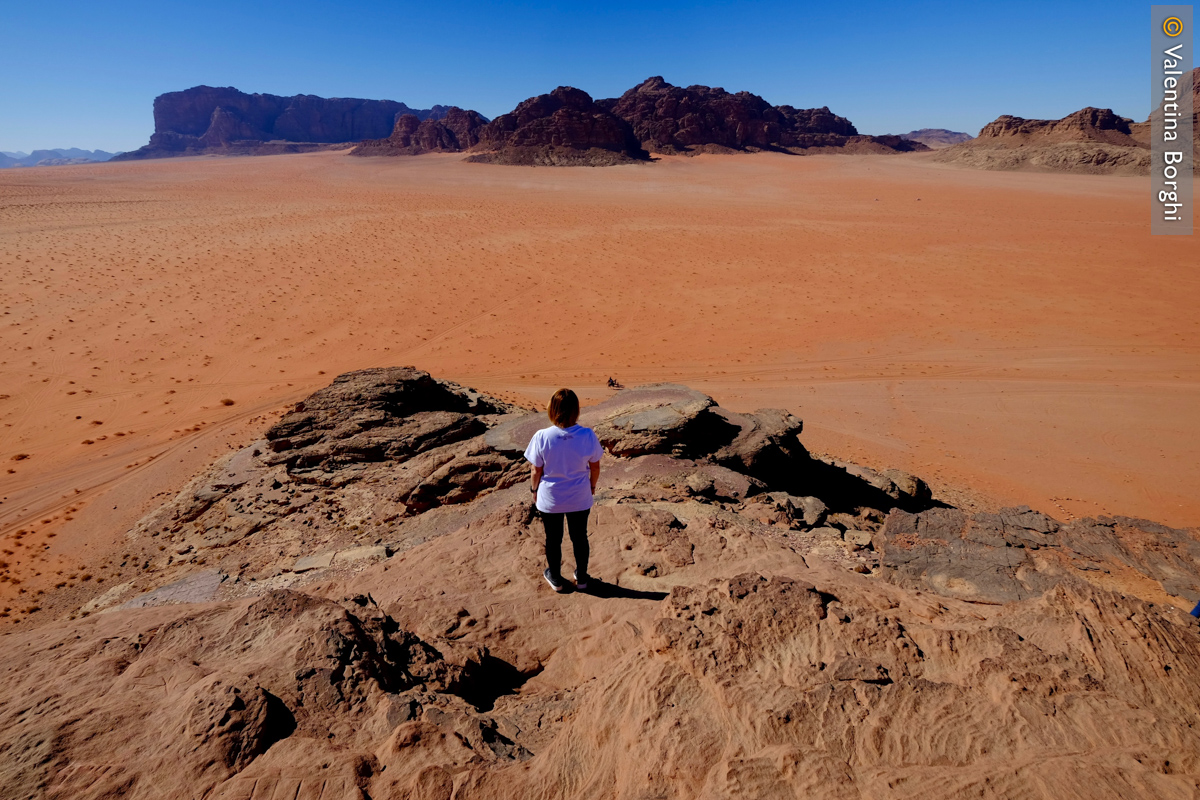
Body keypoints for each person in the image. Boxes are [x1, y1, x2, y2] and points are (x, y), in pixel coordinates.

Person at [523, 388, 602, 593]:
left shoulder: (542, 436)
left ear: (553, 409)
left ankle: (556, 579)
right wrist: (592, 486)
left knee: (553, 539)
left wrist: (534, 490)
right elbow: (595, 466)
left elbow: (536, 469)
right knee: (580, 537)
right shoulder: (587, 434)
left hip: (551, 498)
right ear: (576, 410)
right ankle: (582, 577)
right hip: (580, 496)